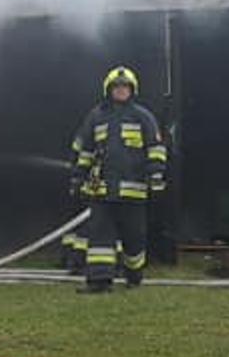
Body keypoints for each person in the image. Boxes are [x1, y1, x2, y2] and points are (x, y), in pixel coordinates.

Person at [69, 66, 167, 293]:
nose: (121, 90)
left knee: (134, 239)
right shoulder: (96, 116)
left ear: (132, 90)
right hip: (101, 190)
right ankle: (99, 281)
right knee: (100, 237)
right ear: (109, 89)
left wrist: (156, 175)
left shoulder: (143, 116)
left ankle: (134, 274)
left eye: (125, 87)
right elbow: (86, 151)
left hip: (133, 192)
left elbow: (155, 148)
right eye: (117, 86)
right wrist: (77, 177)